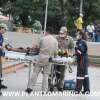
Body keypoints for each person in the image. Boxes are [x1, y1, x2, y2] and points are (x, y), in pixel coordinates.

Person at [55, 26, 74, 91]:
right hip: (56, 57)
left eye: (62, 33)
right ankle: (51, 83)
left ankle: (60, 86)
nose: (61, 34)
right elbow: (54, 46)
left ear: (66, 33)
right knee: (53, 71)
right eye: (60, 32)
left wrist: (69, 54)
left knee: (62, 73)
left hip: (65, 58)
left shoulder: (70, 39)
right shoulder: (57, 37)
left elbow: (72, 49)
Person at [0, 23, 8, 95]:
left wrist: (4, 47)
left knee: (0, 71)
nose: (5, 31)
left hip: (0, 55)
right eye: (5, 30)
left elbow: (1, 45)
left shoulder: (1, 36)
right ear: (1, 28)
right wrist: (2, 47)